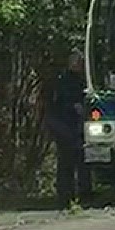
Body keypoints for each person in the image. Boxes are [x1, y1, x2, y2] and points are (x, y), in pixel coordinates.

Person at [44, 49, 91, 207]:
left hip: (71, 126)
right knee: (68, 162)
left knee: (78, 162)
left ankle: (77, 194)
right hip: (66, 126)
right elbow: (72, 103)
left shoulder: (75, 79)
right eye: (78, 62)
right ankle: (68, 196)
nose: (80, 65)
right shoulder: (67, 81)